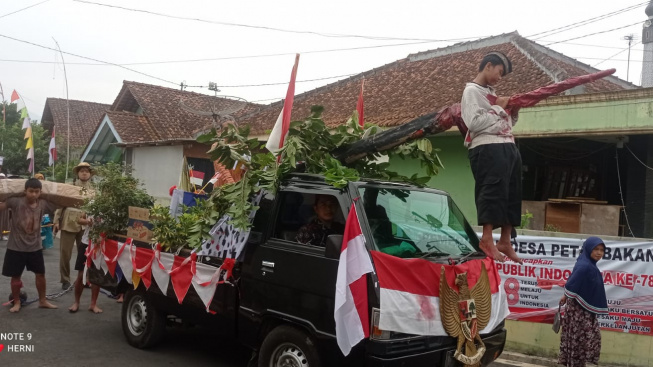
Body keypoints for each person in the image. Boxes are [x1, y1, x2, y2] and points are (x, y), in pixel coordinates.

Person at [461, 51, 523, 264]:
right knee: (492, 189)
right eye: (499, 72)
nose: (499, 77)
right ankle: (487, 239)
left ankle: (505, 240)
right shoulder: (471, 91)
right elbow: (475, 123)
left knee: (512, 192)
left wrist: (512, 111)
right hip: (487, 147)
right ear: (488, 66)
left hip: (508, 145)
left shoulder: (491, 93)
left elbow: (506, 122)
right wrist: (499, 107)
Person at [0, 178, 59, 312]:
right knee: (15, 276)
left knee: (40, 274)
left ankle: (42, 300)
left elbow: (62, 204)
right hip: (16, 246)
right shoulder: (16, 201)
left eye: (36, 192)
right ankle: (16, 302)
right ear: (25, 191)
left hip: (35, 247)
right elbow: (2, 205)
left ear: (40, 192)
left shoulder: (43, 203)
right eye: (31, 191)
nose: (33, 194)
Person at [558, 236, 608, 367]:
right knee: (581, 341)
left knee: (581, 340)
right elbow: (573, 283)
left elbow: (576, 282)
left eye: (602, 250)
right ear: (588, 249)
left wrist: (566, 296)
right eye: (596, 249)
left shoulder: (586, 263)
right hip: (579, 312)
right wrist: (567, 295)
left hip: (581, 310)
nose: (599, 253)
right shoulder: (585, 266)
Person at [54, 162, 95, 290]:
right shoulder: (70, 187)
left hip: (86, 224)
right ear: (77, 173)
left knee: (85, 253)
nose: (84, 173)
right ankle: (65, 280)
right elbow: (61, 204)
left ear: (90, 174)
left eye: (87, 171)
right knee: (65, 253)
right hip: (69, 221)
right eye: (82, 171)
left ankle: (83, 279)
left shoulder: (93, 189)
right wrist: (56, 221)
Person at [69, 213, 102, 314]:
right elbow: (79, 219)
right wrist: (87, 221)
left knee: (96, 276)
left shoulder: (112, 208)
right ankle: (76, 302)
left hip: (100, 246)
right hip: (86, 243)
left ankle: (93, 304)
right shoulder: (91, 203)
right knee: (80, 274)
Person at [0, 173, 9, 241]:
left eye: (3, 178)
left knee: (4, 221)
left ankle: (3, 235)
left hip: (5, 207)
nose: (1, 179)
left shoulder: (7, 187)